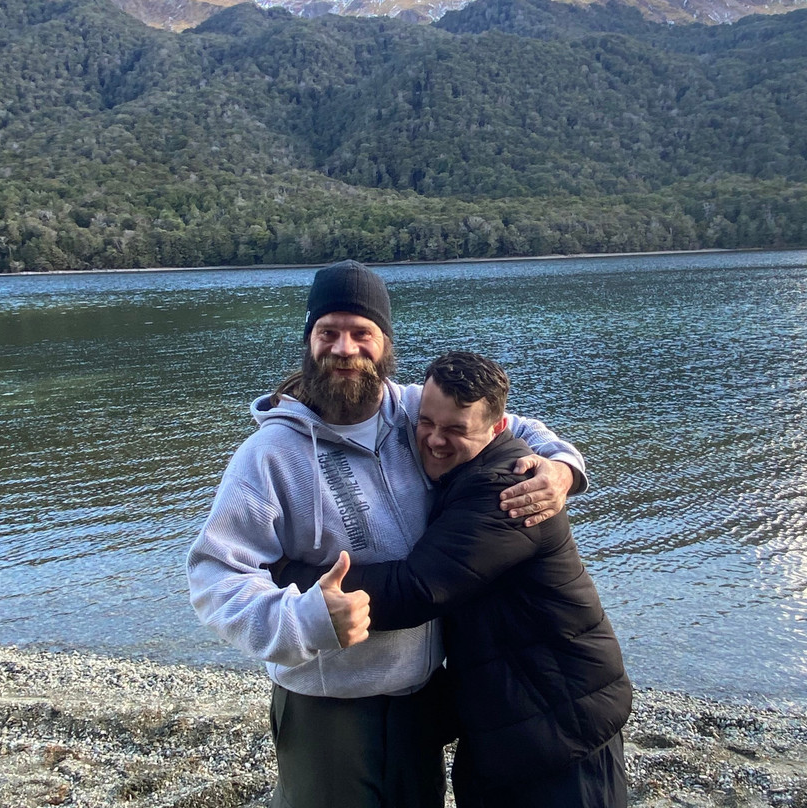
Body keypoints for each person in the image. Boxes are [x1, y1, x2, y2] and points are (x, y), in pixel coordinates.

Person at [186, 261, 589, 808]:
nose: (344, 348)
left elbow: (512, 426)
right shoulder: (269, 456)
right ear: (308, 341)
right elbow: (216, 577)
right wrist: (301, 619)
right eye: (328, 332)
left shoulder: (414, 411)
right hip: (329, 703)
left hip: (420, 700)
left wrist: (562, 467)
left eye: (361, 333)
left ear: (385, 344)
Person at [276, 351, 632, 808]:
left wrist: (287, 574)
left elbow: (415, 590)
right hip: (514, 713)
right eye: (426, 423)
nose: (435, 440)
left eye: (456, 430)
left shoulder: (507, 492)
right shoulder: (463, 468)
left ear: (496, 429)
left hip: (563, 719)